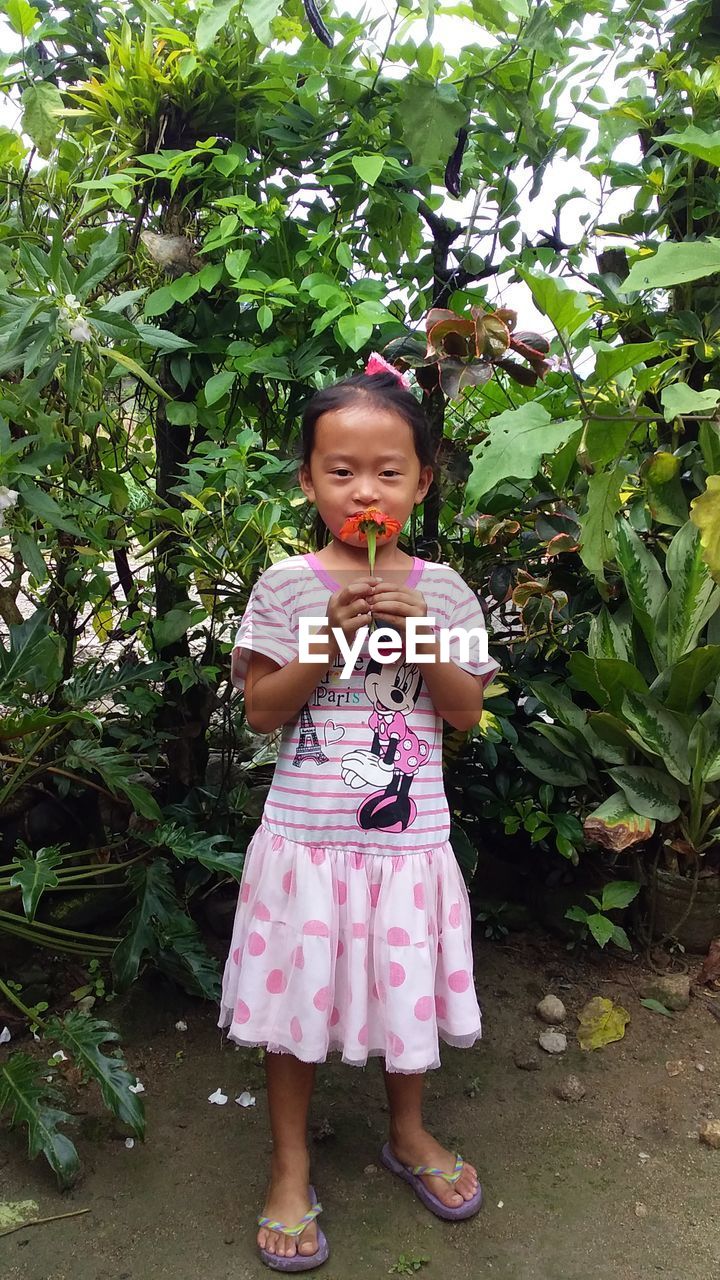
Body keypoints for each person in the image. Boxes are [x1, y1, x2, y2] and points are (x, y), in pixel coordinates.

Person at [218, 354, 500, 1271]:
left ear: (422, 481)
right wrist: (324, 641)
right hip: (306, 844)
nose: (363, 490)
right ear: (308, 481)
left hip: (406, 845)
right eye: (340, 472)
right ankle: (290, 1162)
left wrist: (422, 637)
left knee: (404, 993)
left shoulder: (446, 589)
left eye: (388, 472)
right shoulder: (286, 585)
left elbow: (463, 711)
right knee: (293, 1005)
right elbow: (262, 713)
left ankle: (409, 1132)